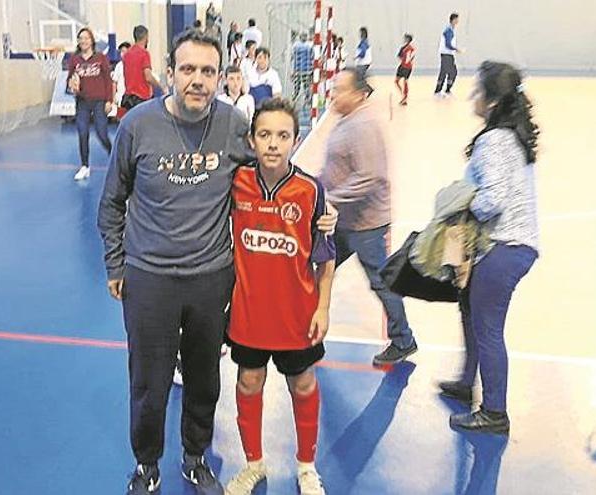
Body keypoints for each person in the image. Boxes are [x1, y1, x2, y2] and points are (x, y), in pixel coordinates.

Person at [98, 28, 338, 494]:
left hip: (212, 279)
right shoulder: (137, 126)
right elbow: (112, 202)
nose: (198, 80)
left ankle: (194, 457)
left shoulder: (232, 125)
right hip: (150, 278)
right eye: (188, 69)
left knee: (205, 378)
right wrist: (115, 263)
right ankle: (147, 465)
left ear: (220, 78)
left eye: (208, 71)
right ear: (170, 73)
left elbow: (275, 166)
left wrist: (321, 208)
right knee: (149, 382)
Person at [224, 97, 334, 495]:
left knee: (302, 385)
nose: (273, 143)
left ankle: (306, 466)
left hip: (298, 315)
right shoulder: (236, 182)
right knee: (249, 381)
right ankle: (253, 464)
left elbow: (325, 257)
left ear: (295, 139)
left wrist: (322, 306)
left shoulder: (310, 191)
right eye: (265, 134)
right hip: (249, 314)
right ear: (252, 140)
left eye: (282, 135)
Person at [442, 61, 540, 435]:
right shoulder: (508, 136)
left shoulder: (493, 140)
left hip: (503, 246)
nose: (472, 96)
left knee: (488, 328)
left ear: (494, 99)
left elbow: (492, 200)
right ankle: (467, 383)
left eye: (478, 90)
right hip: (512, 244)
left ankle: (495, 412)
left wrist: (464, 202)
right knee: (470, 309)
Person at [320, 67, 418, 367]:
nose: (333, 94)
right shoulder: (346, 120)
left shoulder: (363, 126)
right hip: (344, 221)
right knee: (318, 270)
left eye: (340, 90)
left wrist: (329, 199)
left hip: (366, 225)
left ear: (359, 94)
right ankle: (309, 329)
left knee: (380, 281)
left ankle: (403, 340)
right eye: (334, 88)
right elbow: (336, 169)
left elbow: (369, 177)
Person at [67, 27, 113, 181]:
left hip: (99, 101)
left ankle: (114, 158)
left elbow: (108, 80)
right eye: (80, 38)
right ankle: (85, 166)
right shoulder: (74, 59)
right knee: (82, 133)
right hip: (82, 102)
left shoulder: (100, 58)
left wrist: (109, 101)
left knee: (102, 133)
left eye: (86, 38)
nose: (83, 41)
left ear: (92, 40)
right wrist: (72, 86)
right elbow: (70, 79)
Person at [121, 25, 166, 114]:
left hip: (128, 98)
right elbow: (148, 76)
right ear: (146, 37)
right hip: (142, 97)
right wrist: (161, 87)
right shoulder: (144, 54)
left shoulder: (126, 54)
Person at [435, 13, 464, 97]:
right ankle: (443, 90)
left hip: (447, 54)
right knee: (452, 72)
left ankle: (440, 91)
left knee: (444, 72)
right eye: (457, 19)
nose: (458, 21)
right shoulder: (449, 31)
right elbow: (448, 44)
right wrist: (457, 49)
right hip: (446, 54)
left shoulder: (451, 30)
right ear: (454, 19)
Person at [291, 32, 313, 106]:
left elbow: (293, 58)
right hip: (305, 70)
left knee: (301, 87)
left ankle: (297, 99)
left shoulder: (295, 46)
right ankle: (305, 100)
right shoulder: (310, 45)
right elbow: (312, 57)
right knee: (304, 87)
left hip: (301, 70)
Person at [395, 34, 416, 106]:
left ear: (408, 39)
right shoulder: (410, 48)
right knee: (399, 81)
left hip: (405, 66)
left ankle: (404, 97)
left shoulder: (406, 48)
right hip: (407, 66)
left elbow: (401, 57)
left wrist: (404, 61)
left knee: (403, 81)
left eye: (405, 38)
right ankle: (404, 96)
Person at [113, 42, 132, 120]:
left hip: (132, 98)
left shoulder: (133, 64)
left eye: (125, 51)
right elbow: (114, 82)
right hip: (120, 98)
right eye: (121, 51)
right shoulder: (118, 66)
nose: (123, 54)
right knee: (121, 121)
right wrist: (113, 97)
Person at [354, 27, 374, 97]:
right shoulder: (365, 42)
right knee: (360, 78)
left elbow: (363, 53)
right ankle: (364, 92)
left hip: (363, 63)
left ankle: (367, 89)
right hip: (364, 63)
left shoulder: (363, 42)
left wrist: (356, 57)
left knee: (359, 79)